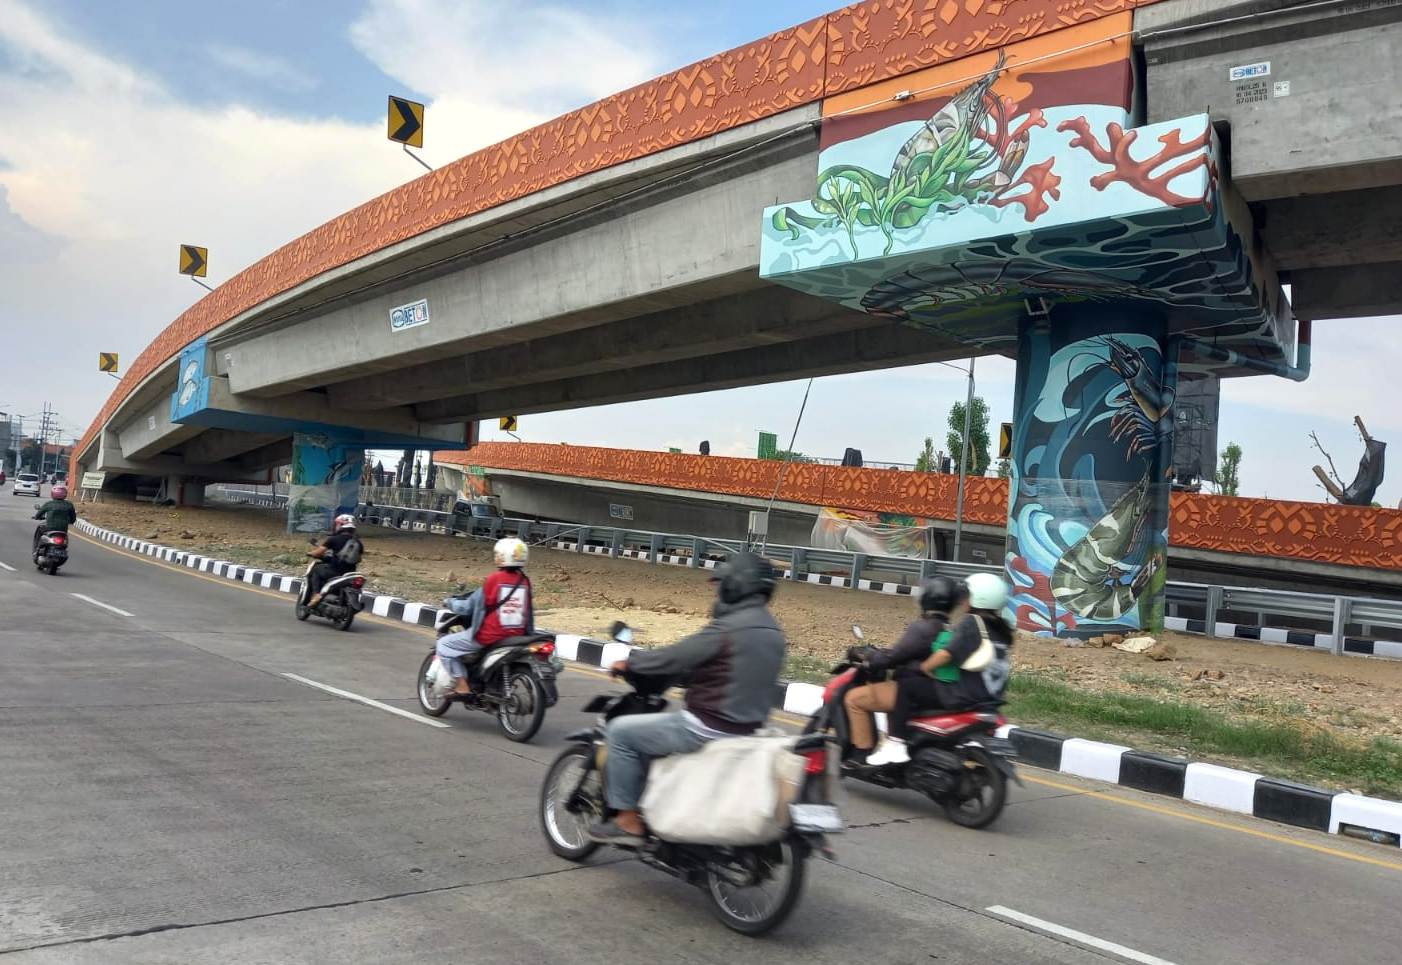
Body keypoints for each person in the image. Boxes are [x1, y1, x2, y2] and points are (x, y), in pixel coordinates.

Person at [588, 551, 786, 844]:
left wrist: (631, 664)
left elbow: (676, 656)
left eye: (721, 584)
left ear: (736, 585)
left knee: (621, 734)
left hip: (706, 726)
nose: (718, 591)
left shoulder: (729, 628)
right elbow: (730, 671)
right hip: (750, 728)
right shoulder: (773, 632)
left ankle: (627, 821)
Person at [866, 571, 1014, 767]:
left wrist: (926, 667)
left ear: (978, 598)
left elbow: (947, 654)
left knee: (908, 686)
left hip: (963, 695)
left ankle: (895, 742)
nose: (963, 601)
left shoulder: (972, 623)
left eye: (967, 595)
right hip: (989, 699)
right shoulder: (1002, 629)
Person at [843, 576, 966, 762]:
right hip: (934, 688)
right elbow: (908, 652)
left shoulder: (923, 628)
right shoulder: (947, 628)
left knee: (853, 698)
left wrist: (870, 657)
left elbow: (894, 656)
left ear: (928, 599)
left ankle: (861, 753)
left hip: (912, 687)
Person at [434, 537, 534, 696]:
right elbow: (529, 613)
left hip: (489, 636)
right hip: (516, 637)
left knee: (444, 645)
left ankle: (462, 686)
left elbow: (467, 607)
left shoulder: (494, 579)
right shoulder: (525, 582)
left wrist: (450, 602)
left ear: (501, 556)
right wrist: (530, 635)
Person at [306, 513, 363, 606]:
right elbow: (359, 559)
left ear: (341, 526)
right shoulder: (358, 542)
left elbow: (318, 552)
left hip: (334, 571)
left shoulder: (334, 539)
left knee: (316, 570)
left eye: (337, 524)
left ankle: (316, 595)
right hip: (350, 573)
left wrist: (311, 553)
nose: (336, 526)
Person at [32, 483, 77, 551]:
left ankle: (36, 548)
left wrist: (36, 517)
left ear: (53, 494)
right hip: (63, 529)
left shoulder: (49, 504)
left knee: (40, 528)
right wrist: (71, 521)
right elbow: (73, 518)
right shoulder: (69, 505)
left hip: (49, 528)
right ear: (65, 494)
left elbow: (39, 513)